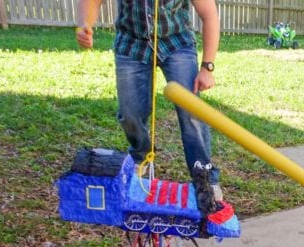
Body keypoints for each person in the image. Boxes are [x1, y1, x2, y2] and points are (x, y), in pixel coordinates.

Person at [75, 0, 223, 202]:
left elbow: (209, 14)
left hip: (176, 43)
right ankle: (141, 157)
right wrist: (85, 24)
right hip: (131, 44)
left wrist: (207, 67)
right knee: (130, 113)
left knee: (191, 112)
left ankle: (205, 175)